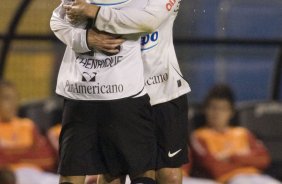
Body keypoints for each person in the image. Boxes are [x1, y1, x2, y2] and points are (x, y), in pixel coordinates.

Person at [64, 0, 191, 183]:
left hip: (162, 90)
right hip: (116, 90)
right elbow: (64, 18)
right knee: (112, 172)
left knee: (168, 174)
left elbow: (147, 21)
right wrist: (85, 35)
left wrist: (93, 12)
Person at [50, 0, 158, 183]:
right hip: (84, 96)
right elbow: (57, 21)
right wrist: (86, 39)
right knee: (73, 170)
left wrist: (93, 12)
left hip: (123, 96)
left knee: (131, 171)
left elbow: (146, 21)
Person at [189, 84, 281, 184]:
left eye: (223, 109)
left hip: (257, 176)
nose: (217, 113)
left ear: (231, 112)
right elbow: (215, 169)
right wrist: (247, 159)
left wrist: (231, 158)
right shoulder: (200, 136)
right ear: (205, 110)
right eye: (213, 108)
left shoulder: (243, 133)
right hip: (230, 179)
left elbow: (264, 160)